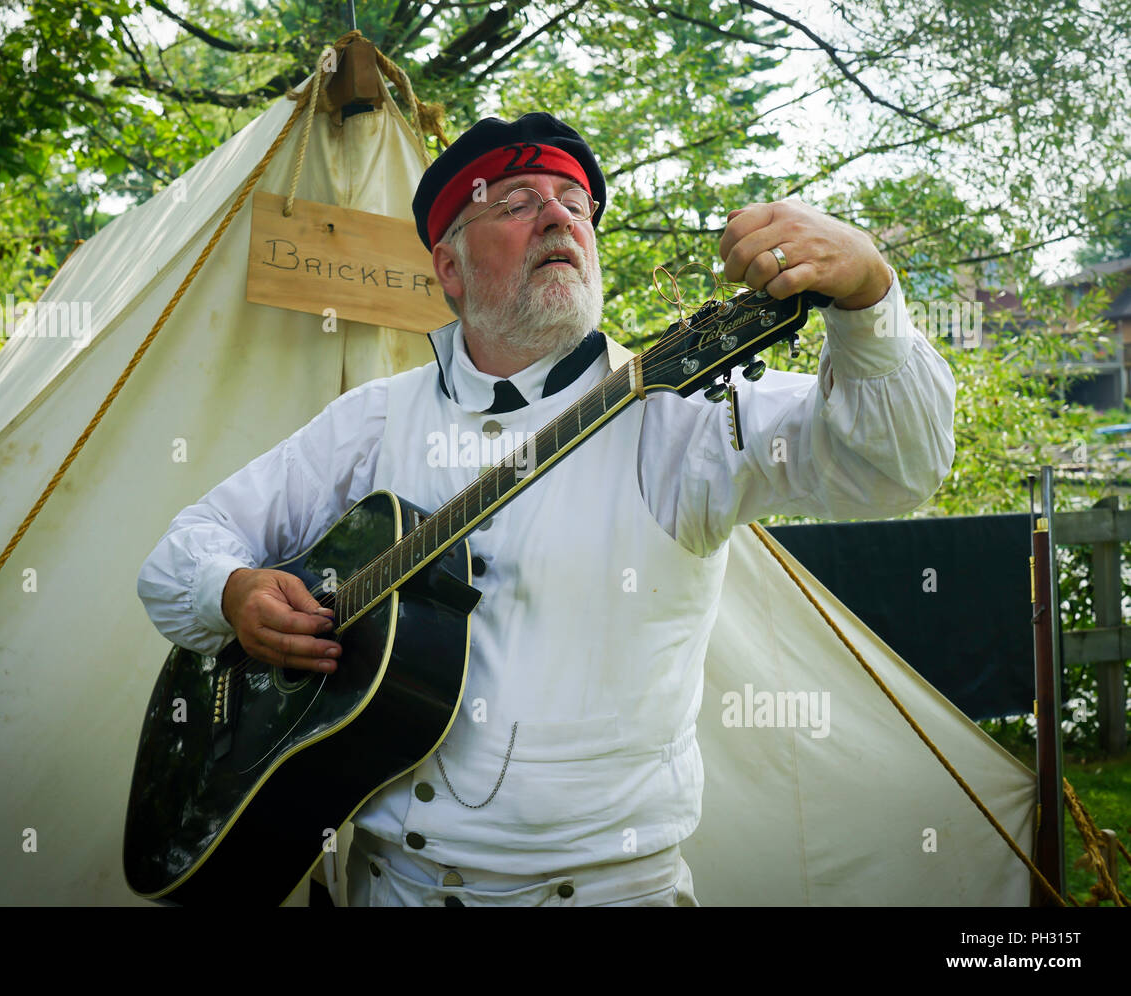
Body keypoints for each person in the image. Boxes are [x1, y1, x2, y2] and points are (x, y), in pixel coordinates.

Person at [137, 111, 956, 906]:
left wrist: (869, 299)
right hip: (392, 889)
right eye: (518, 203)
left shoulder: (680, 414)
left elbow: (895, 468)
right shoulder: (373, 419)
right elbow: (182, 552)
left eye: (574, 206)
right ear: (450, 271)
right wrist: (233, 593)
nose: (559, 220)